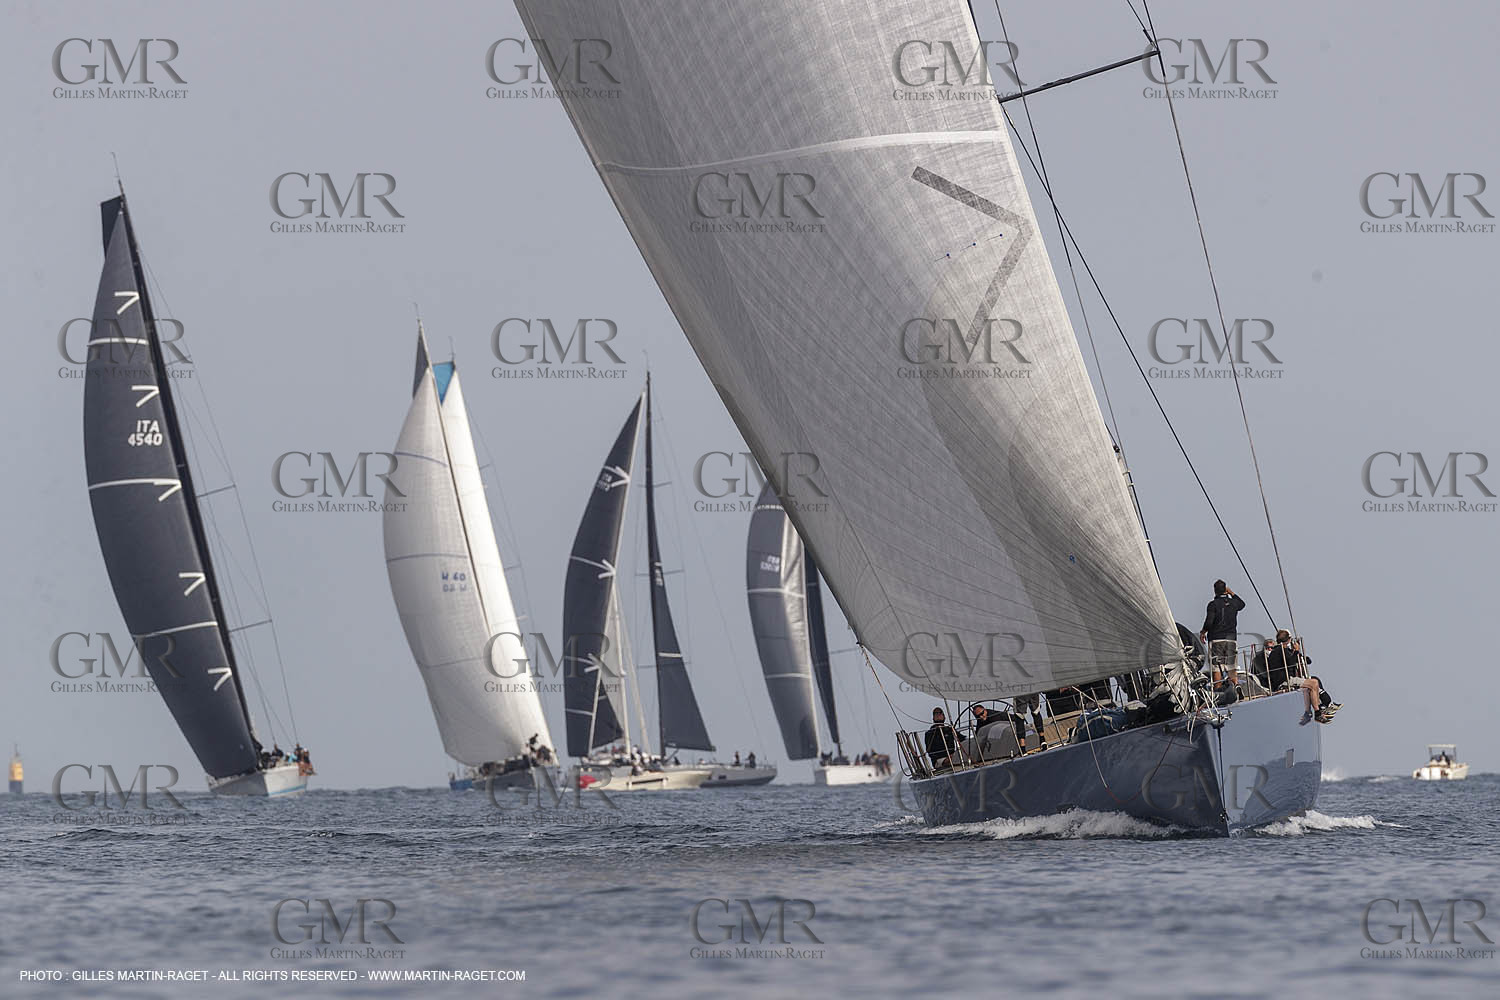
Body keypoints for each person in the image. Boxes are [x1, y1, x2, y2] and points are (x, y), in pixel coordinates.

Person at [1199, 580, 1246, 686]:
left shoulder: (1213, 604)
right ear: (1226, 590)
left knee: (1217, 668)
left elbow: (1209, 621)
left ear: (1214, 590)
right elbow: (1242, 604)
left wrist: (1203, 632)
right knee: (1231, 666)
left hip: (1216, 639)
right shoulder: (1234, 603)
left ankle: (1218, 689)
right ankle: (1235, 686)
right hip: (1231, 639)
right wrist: (1232, 593)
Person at [924, 707, 959, 772]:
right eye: (935, 713)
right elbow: (930, 752)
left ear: (944, 717)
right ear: (933, 718)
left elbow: (962, 739)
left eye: (940, 713)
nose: (938, 715)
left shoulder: (949, 730)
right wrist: (947, 758)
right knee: (951, 760)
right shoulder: (929, 733)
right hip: (939, 760)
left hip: (953, 756)